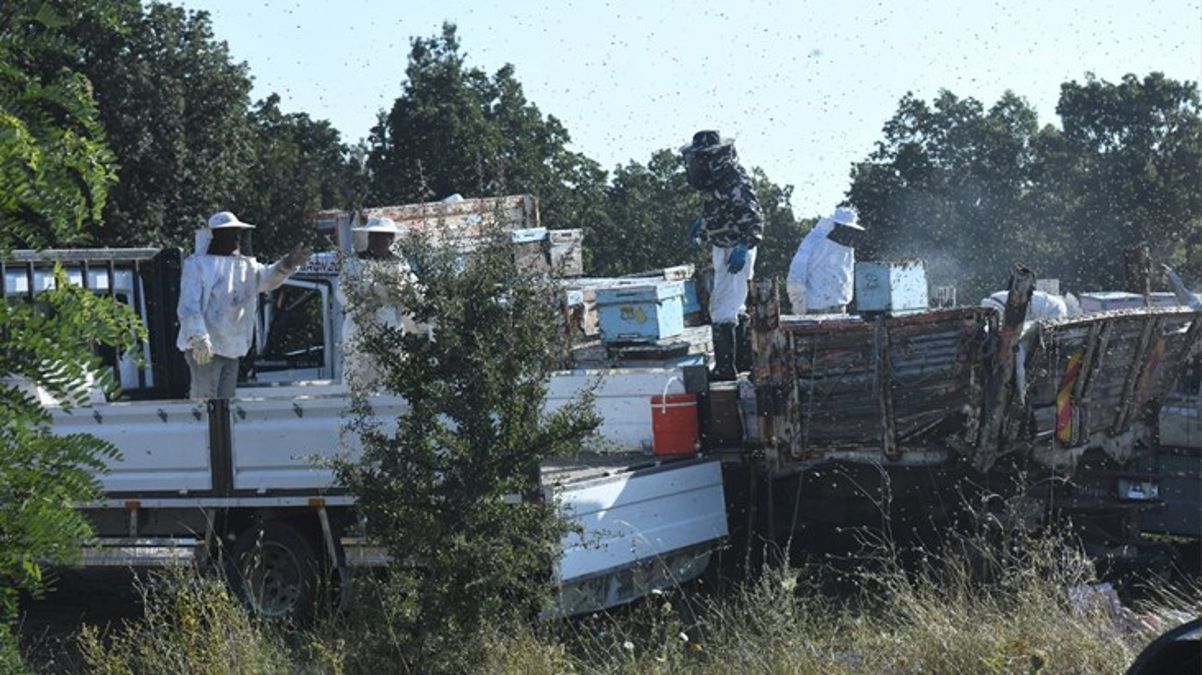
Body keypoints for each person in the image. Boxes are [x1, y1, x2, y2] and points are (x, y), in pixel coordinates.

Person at [176, 211, 310, 400]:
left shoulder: (245, 266)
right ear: (214, 236)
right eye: (230, 232)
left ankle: (222, 431)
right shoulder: (198, 265)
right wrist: (198, 338)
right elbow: (189, 305)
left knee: (226, 404)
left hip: (231, 346)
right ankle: (203, 431)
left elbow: (267, 279)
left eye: (237, 232)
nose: (236, 237)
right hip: (204, 348)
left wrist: (287, 264)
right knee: (204, 402)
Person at [681, 130, 764, 381]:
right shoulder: (718, 181)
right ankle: (741, 363)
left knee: (721, 307)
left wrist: (743, 245)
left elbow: (754, 217)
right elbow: (720, 209)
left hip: (736, 248)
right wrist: (703, 222)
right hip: (725, 245)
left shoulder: (733, 181)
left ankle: (727, 368)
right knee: (734, 304)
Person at [336, 216, 425, 393]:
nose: (378, 240)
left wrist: (413, 293)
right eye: (374, 236)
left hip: (389, 327)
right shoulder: (353, 263)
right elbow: (343, 292)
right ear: (369, 237)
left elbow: (416, 293)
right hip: (359, 328)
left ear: (391, 239)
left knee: (391, 375)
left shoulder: (399, 265)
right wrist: (366, 297)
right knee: (357, 374)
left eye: (383, 236)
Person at [786, 206, 864, 315]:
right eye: (844, 228)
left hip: (840, 307)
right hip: (814, 309)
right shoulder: (813, 242)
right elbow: (796, 274)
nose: (847, 233)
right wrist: (798, 302)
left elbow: (847, 275)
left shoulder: (847, 247)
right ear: (833, 225)